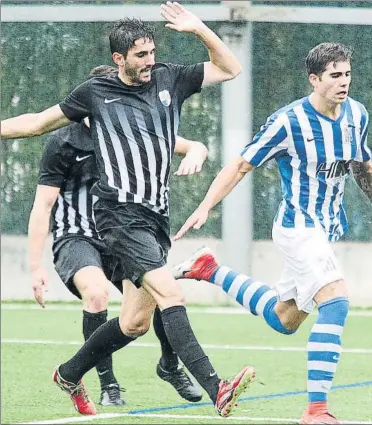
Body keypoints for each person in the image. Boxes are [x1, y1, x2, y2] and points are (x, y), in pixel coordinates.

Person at [2, 2, 255, 417]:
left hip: (157, 216)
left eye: (151, 52)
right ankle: (217, 387)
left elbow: (229, 68)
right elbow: (34, 123)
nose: (149, 61)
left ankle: (69, 372)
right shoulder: (94, 94)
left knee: (136, 322)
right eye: (140, 55)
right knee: (171, 292)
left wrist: (199, 29)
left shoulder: (170, 77)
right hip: (119, 216)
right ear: (118, 58)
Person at [173, 42, 372, 425]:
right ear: (314, 79)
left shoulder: (356, 114)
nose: (344, 82)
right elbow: (241, 165)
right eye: (335, 76)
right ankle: (316, 411)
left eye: (347, 74)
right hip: (298, 229)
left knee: (285, 319)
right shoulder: (289, 121)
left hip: (324, 230)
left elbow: (361, 161)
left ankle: (210, 270)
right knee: (336, 301)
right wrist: (206, 205)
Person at [28, 65, 206, 406]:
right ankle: (108, 385)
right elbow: (43, 206)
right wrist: (35, 267)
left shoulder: (133, 129)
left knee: (154, 293)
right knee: (96, 295)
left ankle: (170, 365)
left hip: (124, 232)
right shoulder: (62, 141)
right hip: (78, 236)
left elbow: (190, 145)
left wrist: (197, 151)